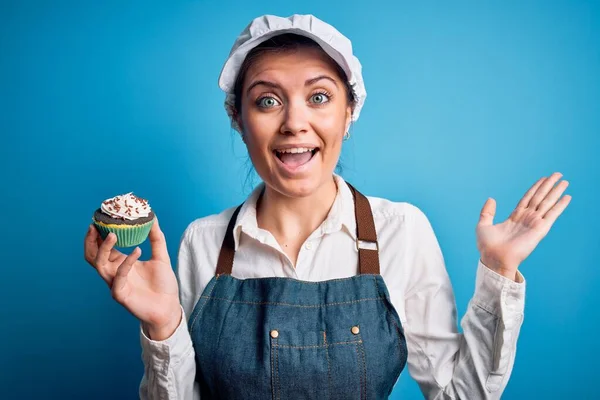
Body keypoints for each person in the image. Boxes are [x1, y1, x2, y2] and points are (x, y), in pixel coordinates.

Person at [83, 14, 571, 400]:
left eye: (318, 96)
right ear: (238, 119)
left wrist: (499, 271)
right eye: (268, 101)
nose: (296, 122)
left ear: (348, 113)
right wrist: (162, 327)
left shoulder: (402, 231)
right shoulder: (202, 242)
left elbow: (458, 396)